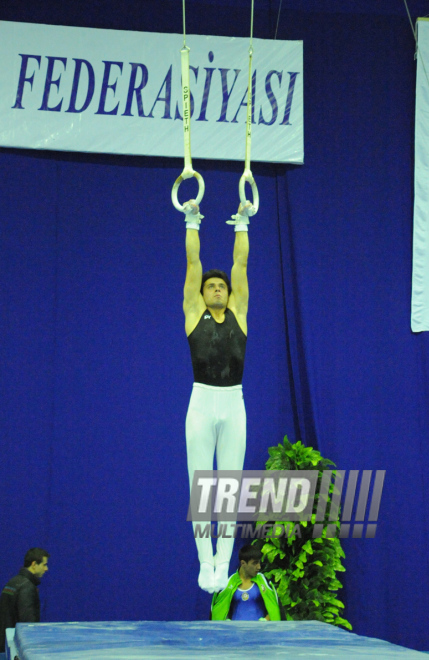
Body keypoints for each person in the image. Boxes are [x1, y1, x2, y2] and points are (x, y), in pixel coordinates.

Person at [183, 199, 253, 594]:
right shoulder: (194, 312)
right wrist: (192, 221)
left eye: (220, 286)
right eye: (210, 286)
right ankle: (203, 562)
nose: (215, 289)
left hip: (233, 403)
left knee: (228, 489)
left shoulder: (239, 312)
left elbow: (240, 267)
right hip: (201, 402)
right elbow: (193, 266)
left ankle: (221, 565)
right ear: (202, 294)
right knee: (201, 487)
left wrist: (241, 223)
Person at [211, 544, 282, 620]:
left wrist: (265, 621)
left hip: (259, 630)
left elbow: (274, 609)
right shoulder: (228, 583)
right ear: (243, 563)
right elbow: (218, 611)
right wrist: (226, 622)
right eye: (255, 563)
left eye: (259, 563)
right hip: (236, 630)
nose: (259, 567)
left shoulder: (264, 582)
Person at [0, 548, 50, 653]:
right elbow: (28, 626)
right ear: (34, 564)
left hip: (4, 646)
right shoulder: (27, 587)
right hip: (15, 650)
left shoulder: (12, 582)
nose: (46, 569)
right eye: (44, 565)